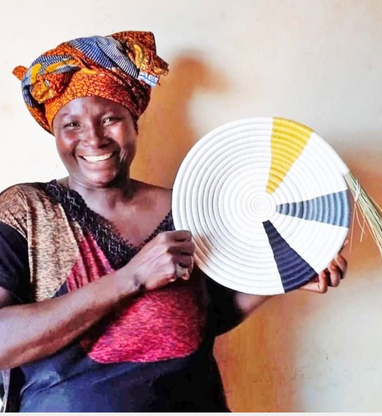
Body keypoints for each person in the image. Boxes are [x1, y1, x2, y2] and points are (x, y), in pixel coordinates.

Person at [0, 31, 347, 412]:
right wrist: (131, 277)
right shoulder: (26, 210)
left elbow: (205, 318)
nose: (94, 139)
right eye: (72, 125)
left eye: (110, 118)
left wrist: (284, 274)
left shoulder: (189, 207)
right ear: (55, 134)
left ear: (135, 124)